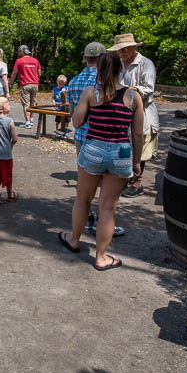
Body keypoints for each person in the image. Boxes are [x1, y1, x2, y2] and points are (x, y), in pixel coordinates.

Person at [58, 52, 144, 271]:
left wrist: (75, 107)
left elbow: (77, 123)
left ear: (98, 70)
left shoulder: (91, 93)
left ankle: (74, 240)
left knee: (82, 200)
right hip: (121, 153)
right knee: (107, 207)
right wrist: (136, 162)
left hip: (94, 148)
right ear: (120, 69)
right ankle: (102, 257)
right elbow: (137, 135)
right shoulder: (133, 97)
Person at [67, 42, 125, 237]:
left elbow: (73, 115)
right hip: (110, 139)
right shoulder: (110, 80)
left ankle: (86, 220)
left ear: (84, 58)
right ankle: (105, 224)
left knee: (84, 191)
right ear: (104, 59)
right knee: (107, 192)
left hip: (83, 139)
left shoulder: (74, 81)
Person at [108, 33, 159, 197]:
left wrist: (132, 91)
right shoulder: (120, 63)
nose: (122, 53)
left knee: (141, 145)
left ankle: (138, 181)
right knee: (124, 144)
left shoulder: (145, 64)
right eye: (120, 50)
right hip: (122, 110)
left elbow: (149, 88)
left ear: (133, 47)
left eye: (125, 49)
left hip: (142, 109)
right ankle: (126, 178)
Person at [9, 45, 41, 128]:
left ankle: (27, 122)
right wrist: (36, 80)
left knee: (26, 104)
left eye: (19, 51)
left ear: (22, 51)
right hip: (35, 84)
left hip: (25, 84)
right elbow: (39, 73)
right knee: (32, 103)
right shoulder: (35, 61)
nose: (19, 53)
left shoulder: (19, 61)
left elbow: (14, 73)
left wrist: (10, 83)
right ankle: (31, 120)